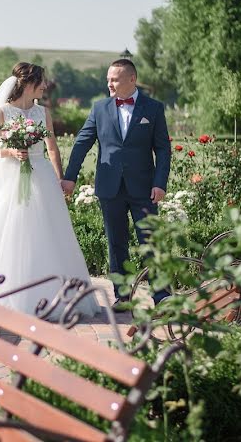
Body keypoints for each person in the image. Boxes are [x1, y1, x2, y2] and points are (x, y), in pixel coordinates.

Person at [0, 62, 99, 317]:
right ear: (28, 83)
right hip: (12, 179)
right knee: (11, 231)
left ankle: (53, 296)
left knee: (50, 234)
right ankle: (4, 297)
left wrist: (60, 178)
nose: (44, 86)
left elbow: (51, 148)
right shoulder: (3, 112)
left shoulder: (43, 112)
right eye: (40, 82)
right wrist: (13, 151)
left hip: (42, 178)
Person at [61, 59, 171, 310]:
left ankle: (161, 295)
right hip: (110, 187)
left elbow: (163, 149)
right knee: (116, 242)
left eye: (114, 79)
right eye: (108, 79)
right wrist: (70, 176)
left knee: (150, 241)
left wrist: (160, 183)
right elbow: (81, 143)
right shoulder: (99, 109)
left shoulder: (153, 108)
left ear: (131, 79)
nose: (109, 83)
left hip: (144, 188)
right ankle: (122, 296)